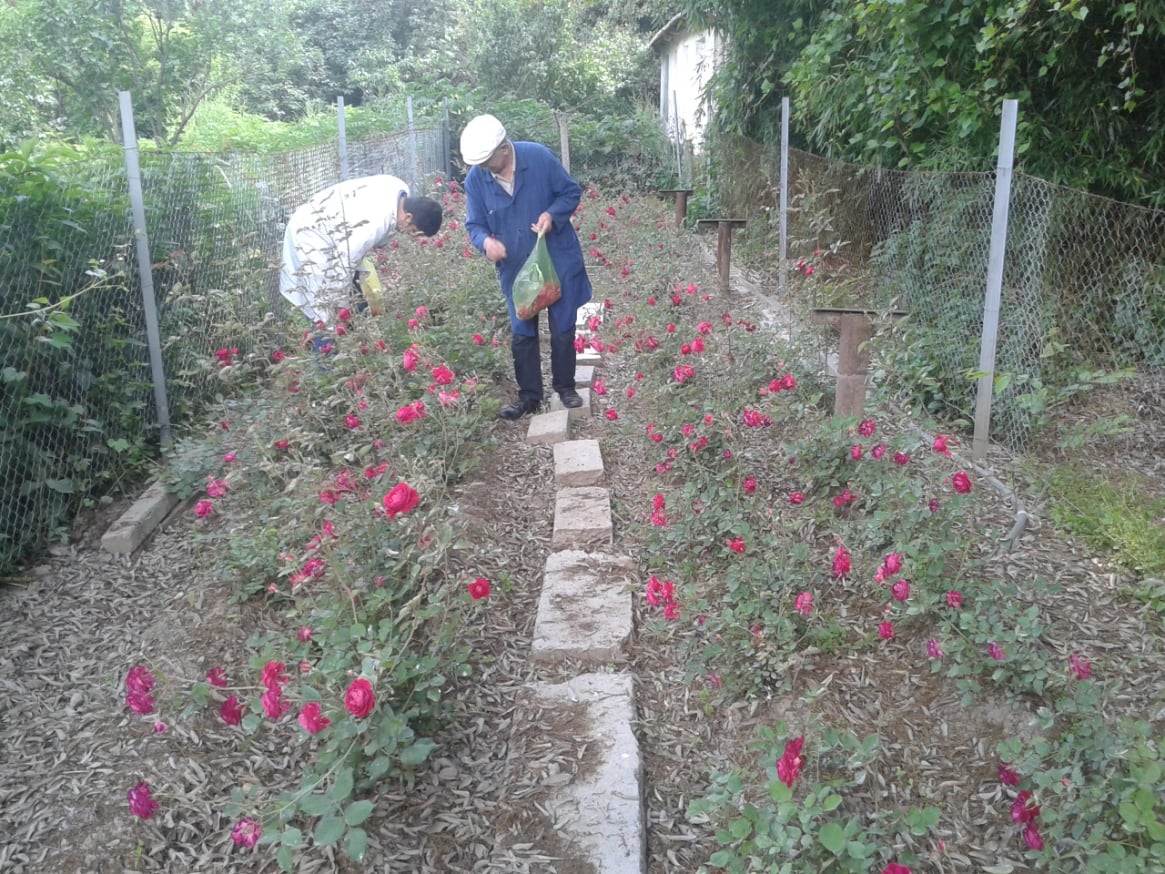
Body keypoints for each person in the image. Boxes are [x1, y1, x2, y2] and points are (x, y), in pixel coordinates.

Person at [460, 114, 593, 420]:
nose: (482, 168)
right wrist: (485, 243)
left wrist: (551, 214)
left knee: (562, 326)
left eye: (487, 160)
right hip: (516, 268)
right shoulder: (475, 179)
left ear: (504, 148)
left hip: (556, 257)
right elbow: (474, 224)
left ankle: (565, 386)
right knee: (522, 332)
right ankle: (529, 396)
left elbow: (570, 192)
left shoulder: (538, 157)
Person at [279, 174, 442, 328]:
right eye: (413, 232)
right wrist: (341, 309)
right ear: (407, 217)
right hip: (312, 235)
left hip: (333, 233)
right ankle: (324, 353)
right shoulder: (374, 224)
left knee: (353, 304)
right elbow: (344, 263)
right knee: (324, 314)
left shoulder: (400, 192)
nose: (411, 237)